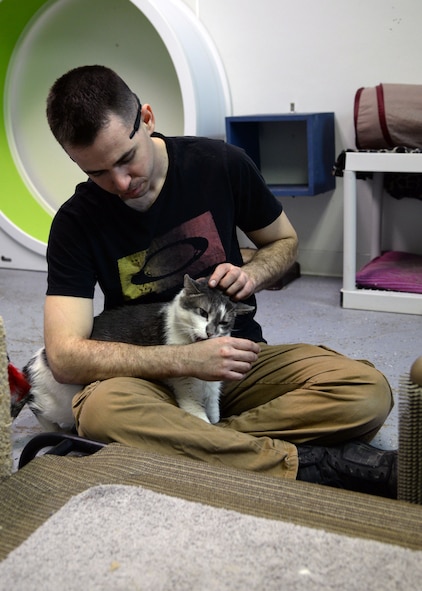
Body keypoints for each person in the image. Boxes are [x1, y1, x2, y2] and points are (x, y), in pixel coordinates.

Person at [43, 65, 397, 498]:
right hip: (147, 379)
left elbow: (284, 242)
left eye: (125, 159)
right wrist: (183, 362)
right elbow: (65, 356)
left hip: (238, 361)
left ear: (148, 119)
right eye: (97, 173)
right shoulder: (74, 223)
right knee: (101, 412)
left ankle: (206, 441)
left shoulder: (220, 164)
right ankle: (303, 464)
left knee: (367, 392)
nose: (119, 183)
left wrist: (253, 272)